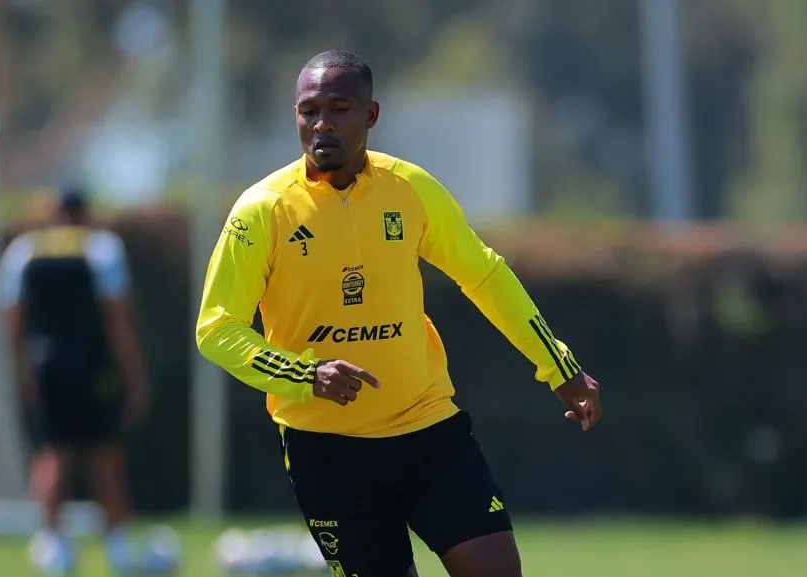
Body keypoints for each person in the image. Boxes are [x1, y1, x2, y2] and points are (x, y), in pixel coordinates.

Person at [195, 49, 603, 577]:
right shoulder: (262, 209)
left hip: (428, 429)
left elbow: (483, 274)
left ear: (370, 116)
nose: (321, 123)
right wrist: (305, 374)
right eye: (308, 110)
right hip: (327, 450)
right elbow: (216, 329)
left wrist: (559, 367)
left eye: (339, 108)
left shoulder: (409, 189)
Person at [0, 185, 152, 575]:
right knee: (105, 455)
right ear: (86, 213)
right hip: (94, 368)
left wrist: (22, 376)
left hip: (46, 368)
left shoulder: (24, 250)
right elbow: (118, 319)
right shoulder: (102, 248)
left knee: (52, 453)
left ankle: (54, 546)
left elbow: (14, 323)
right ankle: (118, 549)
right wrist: (135, 376)